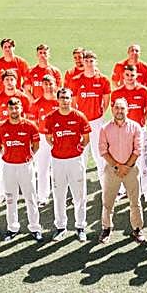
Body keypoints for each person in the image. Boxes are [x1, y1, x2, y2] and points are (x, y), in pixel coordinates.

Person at [43, 88, 91, 241]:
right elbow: (49, 138)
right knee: (59, 195)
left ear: (71, 99)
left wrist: (77, 149)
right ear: (58, 100)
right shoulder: (51, 118)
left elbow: (86, 139)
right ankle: (60, 226)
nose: (64, 101)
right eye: (62, 98)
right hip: (57, 161)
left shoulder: (79, 116)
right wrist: (60, 148)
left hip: (75, 160)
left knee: (79, 195)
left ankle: (80, 226)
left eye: (67, 98)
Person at [0, 96, 42, 241]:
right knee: (10, 198)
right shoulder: (0, 127)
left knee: (30, 197)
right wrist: (7, 156)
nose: (14, 111)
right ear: (7, 110)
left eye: (17, 108)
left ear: (21, 109)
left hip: (25, 166)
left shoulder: (30, 126)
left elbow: (36, 145)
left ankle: (35, 227)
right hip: (8, 166)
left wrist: (29, 156)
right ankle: (12, 228)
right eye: (11, 108)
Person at [98, 98, 145, 243]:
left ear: (127, 110)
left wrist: (126, 167)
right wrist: (117, 166)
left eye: (122, 108)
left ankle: (137, 229)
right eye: (117, 108)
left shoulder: (135, 127)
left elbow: (138, 150)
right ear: (112, 109)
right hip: (112, 170)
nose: (119, 111)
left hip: (131, 169)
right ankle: (106, 228)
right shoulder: (105, 128)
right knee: (107, 202)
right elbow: (103, 150)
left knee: (135, 201)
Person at [111, 63, 147, 197]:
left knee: (144, 161)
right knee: (122, 160)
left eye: (132, 75)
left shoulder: (144, 91)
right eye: (127, 75)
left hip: (140, 131)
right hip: (122, 132)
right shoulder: (117, 93)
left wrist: (140, 122)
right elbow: (114, 111)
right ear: (123, 76)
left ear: (136, 76)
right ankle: (122, 189)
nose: (130, 78)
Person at [71, 50, 111, 177]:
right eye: (86, 61)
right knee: (81, 155)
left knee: (100, 155)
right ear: (83, 62)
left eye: (91, 61)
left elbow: (106, 102)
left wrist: (97, 116)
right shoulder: (76, 80)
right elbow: (73, 103)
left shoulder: (103, 80)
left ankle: (105, 187)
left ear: (96, 62)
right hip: (81, 123)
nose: (88, 63)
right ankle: (79, 193)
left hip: (96, 122)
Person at [29, 74, 60, 207]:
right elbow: (33, 124)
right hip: (42, 138)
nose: (48, 87)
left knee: (60, 168)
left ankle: (61, 195)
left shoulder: (61, 102)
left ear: (55, 84)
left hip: (59, 137)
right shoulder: (36, 104)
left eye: (50, 84)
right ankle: (42, 196)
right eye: (45, 84)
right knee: (42, 168)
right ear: (42, 86)